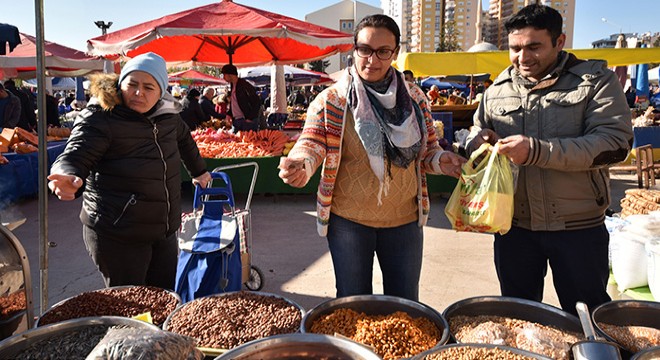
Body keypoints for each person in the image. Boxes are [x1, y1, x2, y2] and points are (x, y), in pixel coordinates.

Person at [278, 14, 465, 301]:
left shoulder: (415, 99)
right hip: (349, 223)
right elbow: (312, 142)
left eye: (382, 52)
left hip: (404, 221)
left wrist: (442, 160)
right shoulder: (332, 100)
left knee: (405, 303)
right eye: (364, 50)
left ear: (395, 53)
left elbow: (426, 151)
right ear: (354, 50)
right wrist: (301, 163)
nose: (371, 60)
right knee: (352, 303)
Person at [465, 5, 633, 316]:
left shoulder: (595, 81)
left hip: (578, 227)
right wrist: (477, 141)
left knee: (589, 317)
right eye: (515, 48)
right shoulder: (498, 89)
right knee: (520, 316)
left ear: (559, 41)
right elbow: (476, 130)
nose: (522, 57)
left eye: (534, 46)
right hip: (514, 229)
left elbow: (615, 144)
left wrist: (537, 151)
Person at [47, 52, 212, 289]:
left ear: (161, 90)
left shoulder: (169, 115)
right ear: (121, 83)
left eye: (148, 87)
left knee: (163, 296)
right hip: (118, 231)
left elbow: (185, 140)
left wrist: (199, 171)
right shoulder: (101, 117)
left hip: (163, 228)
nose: (138, 93)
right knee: (130, 306)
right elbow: (77, 151)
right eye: (132, 84)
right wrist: (67, 173)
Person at [221, 64, 262, 132]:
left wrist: (250, 118)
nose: (223, 77)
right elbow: (234, 102)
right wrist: (229, 114)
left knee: (249, 141)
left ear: (230, 75)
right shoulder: (233, 85)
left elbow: (257, 101)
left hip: (246, 121)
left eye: (224, 75)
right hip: (237, 121)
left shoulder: (245, 85)